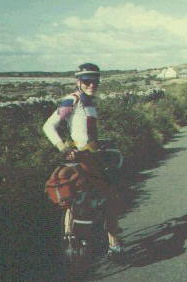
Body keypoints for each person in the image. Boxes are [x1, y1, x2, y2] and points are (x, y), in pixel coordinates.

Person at [43, 63, 123, 256]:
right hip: (82, 157)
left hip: (92, 155)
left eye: (95, 81)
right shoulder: (72, 100)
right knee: (106, 197)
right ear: (78, 81)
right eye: (87, 81)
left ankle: (79, 240)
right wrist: (63, 148)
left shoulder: (90, 102)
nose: (92, 85)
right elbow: (48, 126)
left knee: (87, 196)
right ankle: (112, 244)